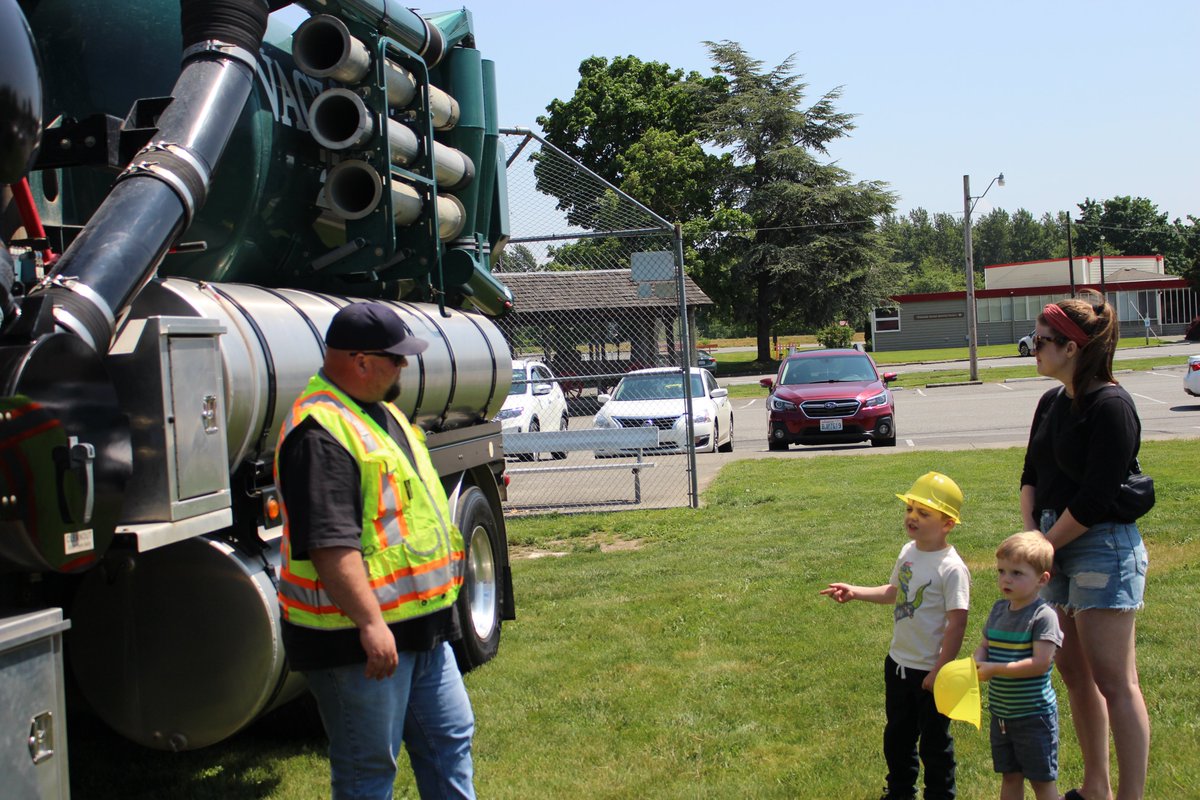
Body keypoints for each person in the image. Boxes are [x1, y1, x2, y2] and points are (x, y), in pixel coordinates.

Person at [275, 301, 475, 800]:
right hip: (358, 643)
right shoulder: (320, 432)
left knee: (450, 741)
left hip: (422, 629)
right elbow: (330, 545)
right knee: (368, 771)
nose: (405, 365)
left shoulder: (383, 413)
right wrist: (369, 624)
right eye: (396, 357)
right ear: (361, 361)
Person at [1021, 290, 1150, 800]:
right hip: (1052, 544)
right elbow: (1031, 475)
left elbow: (1097, 497)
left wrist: (1044, 546)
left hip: (1100, 546)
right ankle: (1096, 787)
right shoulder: (1050, 402)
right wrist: (1033, 538)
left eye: (1041, 342)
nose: (1033, 349)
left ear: (1071, 348)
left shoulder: (1111, 405)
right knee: (1074, 673)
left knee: (1115, 680)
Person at [821, 472, 971, 800]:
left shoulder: (951, 568)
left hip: (932, 672)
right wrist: (855, 591)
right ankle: (900, 791)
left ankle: (940, 794)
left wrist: (940, 670)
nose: (912, 517)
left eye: (924, 513)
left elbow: (957, 624)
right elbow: (894, 592)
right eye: (909, 509)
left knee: (935, 744)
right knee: (897, 738)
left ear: (947, 524)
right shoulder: (908, 551)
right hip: (899, 664)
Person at [974, 531, 1064, 800]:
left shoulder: (1043, 616)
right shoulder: (998, 610)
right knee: (1010, 776)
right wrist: (977, 660)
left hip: (1034, 716)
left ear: (1042, 579)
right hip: (1002, 715)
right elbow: (985, 645)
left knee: (1041, 781)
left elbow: (1040, 664)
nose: (1006, 579)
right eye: (1001, 571)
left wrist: (995, 669)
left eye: (1016, 573)